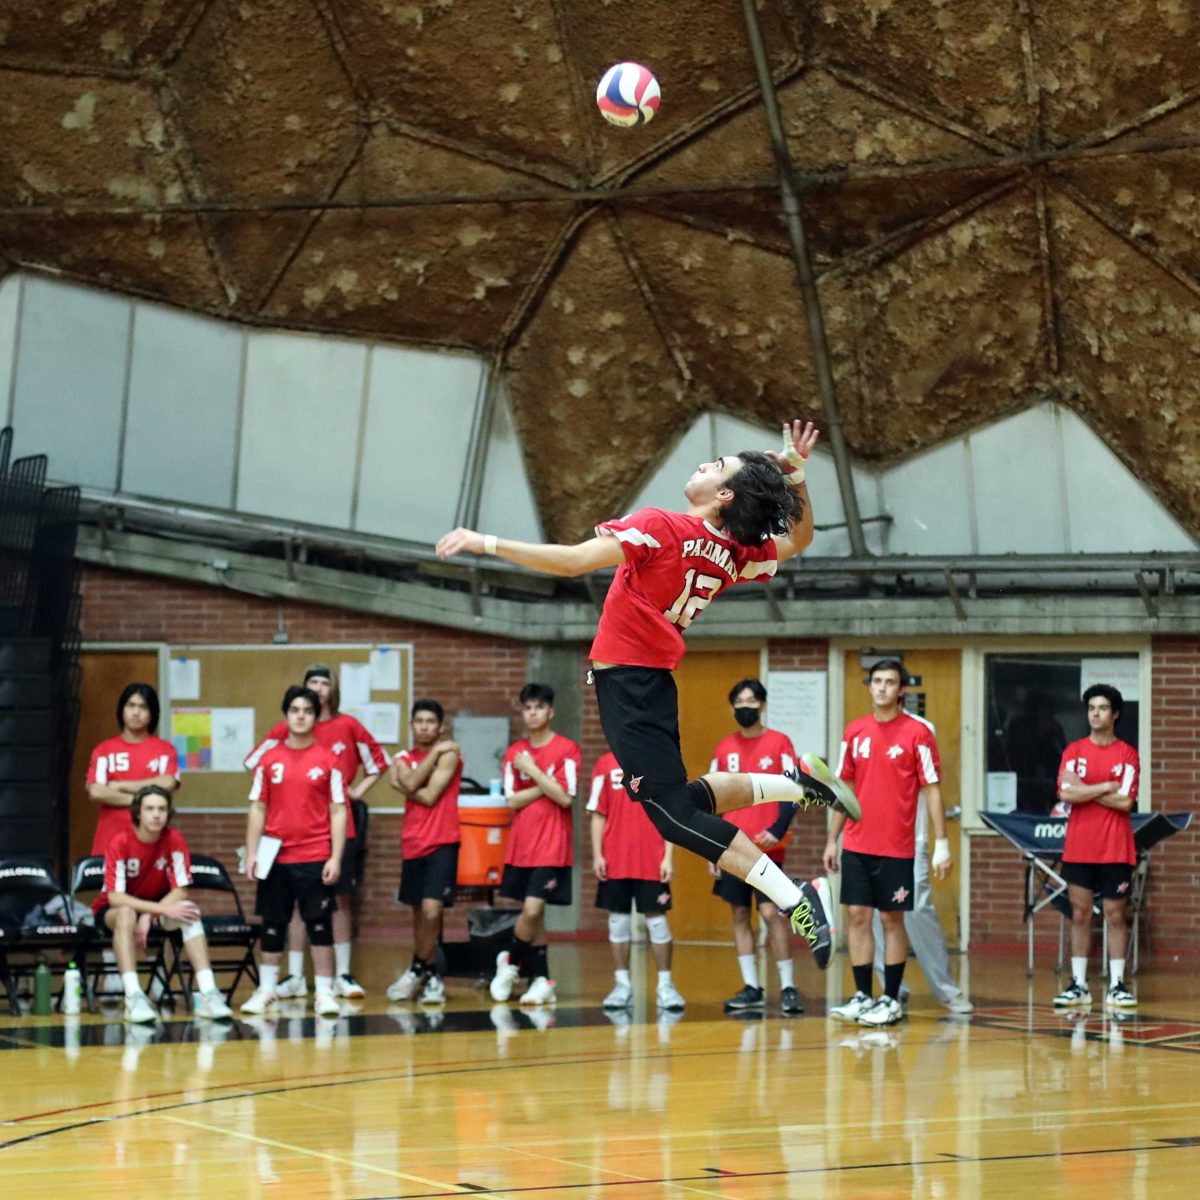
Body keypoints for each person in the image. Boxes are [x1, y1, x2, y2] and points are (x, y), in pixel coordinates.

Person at [436, 420, 859, 971]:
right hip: (648, 683)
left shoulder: (661, 526)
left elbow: (570, 562)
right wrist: (798, 477)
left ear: (725, 494)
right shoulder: (730, 550)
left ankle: (796, 897)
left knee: (671, 817)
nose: (704, 465)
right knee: (683, 801)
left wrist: (483, 541)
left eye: (717, 466)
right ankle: (796, 785)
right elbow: (800, 540)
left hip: (633, 686)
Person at [244, 664, 388, 1000]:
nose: (319, 688)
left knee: (336, 901)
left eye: (325, 683)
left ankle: (341, 975)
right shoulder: (282, 735)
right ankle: (292, 976)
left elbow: (379, 763)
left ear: (332, 691)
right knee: (286, 910)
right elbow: (255, 770)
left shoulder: (346, 726)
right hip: (284, 842)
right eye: (313, 683)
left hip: (331, 836)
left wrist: (355, 793)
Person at [823, 659, 951, 1028]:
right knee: (858, 918)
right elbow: (842, 788)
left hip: (897, 846)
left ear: (902, 690)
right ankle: (863, 995)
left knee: (892, 920)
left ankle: (890, 999)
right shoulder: (855, 731)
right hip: (857, 844)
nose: (881, 688)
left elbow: (932, 789)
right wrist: (833, 838)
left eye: (889, 682)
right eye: (876, 681)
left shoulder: (917, 734)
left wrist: (941, 842)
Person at [240, 686, 347, 1018]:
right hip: (275, 857)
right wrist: (253, 852)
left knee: (319, 926)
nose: (300, 715)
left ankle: (325, 993)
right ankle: (266, 989)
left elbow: (339, 811)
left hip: (315, 856)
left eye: (307, 711)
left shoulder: (329, 760)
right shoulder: (269, 760)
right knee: (272, 924)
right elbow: (258, 807)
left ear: (316, 717)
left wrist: (335, 856)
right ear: (286, 715)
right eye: (295, 710)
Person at [92, 784, 232, 1023]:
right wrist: (159, 910)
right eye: (150, 809)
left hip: (157, 905)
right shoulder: (120, 842)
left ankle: (209, 994)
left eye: (162, 809)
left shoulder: (174, 839)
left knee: (190, 912)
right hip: (115, 910)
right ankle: (133, 997)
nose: (156, 815)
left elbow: (180, 889)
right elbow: (116, 897)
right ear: (138, 812)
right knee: (126, 913)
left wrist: (152, 915)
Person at [709, 678, 804, 1016]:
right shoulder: (724, 749)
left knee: (771, 914)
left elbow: (795, 790)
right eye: (739, 702)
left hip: (767, 849)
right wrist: (712, 848)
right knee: (739, 914)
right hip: (731, 847)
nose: (745, 707)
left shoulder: (780, 743)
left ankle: (789, 987)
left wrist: (778, 830)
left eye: (751, 700)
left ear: (762, 705)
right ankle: (752, 986)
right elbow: (712, 800)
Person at [488, 683, 581, 1006]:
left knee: (533, 908)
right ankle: (542, 979)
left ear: (550, 712)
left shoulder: (567, 749)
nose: (533, 713)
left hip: (553, 845)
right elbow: (512, 800)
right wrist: (547, 781)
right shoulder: (515, 753)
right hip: (522, 844)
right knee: (535, 915)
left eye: (539, 707)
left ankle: (510, 961)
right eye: (527, 708)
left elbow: (566, 797)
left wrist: (533, 772)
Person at [1052, 684, 1140, 1010]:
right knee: (1079, 913)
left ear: (1114, 713)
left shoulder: (1127, 754)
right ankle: (1079, 984)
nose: (1095, 713)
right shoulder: (1074, 751)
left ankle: (1117, 984)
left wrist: (1084, 789)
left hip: (1116, 847)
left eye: (1102, 708)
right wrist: (1103, 786)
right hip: (1079, 846)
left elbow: (1126, 801)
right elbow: (1065, 794)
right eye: (1091, 708)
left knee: (1116, 915)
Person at [589, 746, 684, 1012]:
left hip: (651, 858)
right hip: (615, 858)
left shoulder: (658, 761)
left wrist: (668, 856)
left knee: (657, 923)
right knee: (618, 921)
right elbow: (598, 812)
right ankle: (622, 986)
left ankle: (665, 986)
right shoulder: (604, 764)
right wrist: (598, 855)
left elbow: (670, 814)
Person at [386, 698, 463, 1005]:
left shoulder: (451, 755)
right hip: (413, 842)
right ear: (412, 725)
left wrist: (402, 784)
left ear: (441, 726)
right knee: (418, 913)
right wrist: (429, 759)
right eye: (419, 721)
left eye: (431, 722)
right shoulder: (411, 754)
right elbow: (415, 780)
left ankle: (420, 967)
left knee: (433, 911)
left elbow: (428, 794)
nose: (425, 727)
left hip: (442, 841)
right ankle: (428, 973)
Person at [870, 789, 973, 1014]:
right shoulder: (855, 751)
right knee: (878, 911)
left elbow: (932, 788)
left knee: (917, 909)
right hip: (871, 838)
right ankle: (892, 990)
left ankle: (947, 990)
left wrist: (942, 843)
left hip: (911, 838)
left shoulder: (920, 751)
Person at [86, 683, 180, 855]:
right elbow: (96, 791)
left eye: (143, 707)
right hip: (109, 841)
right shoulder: (104, 750)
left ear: (152, 713)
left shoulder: (165, 750)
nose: (136, 712)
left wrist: (123, 786)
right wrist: (141, 801)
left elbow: (169, 781)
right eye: (131, 705)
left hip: (153, 846)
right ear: (122, 710)